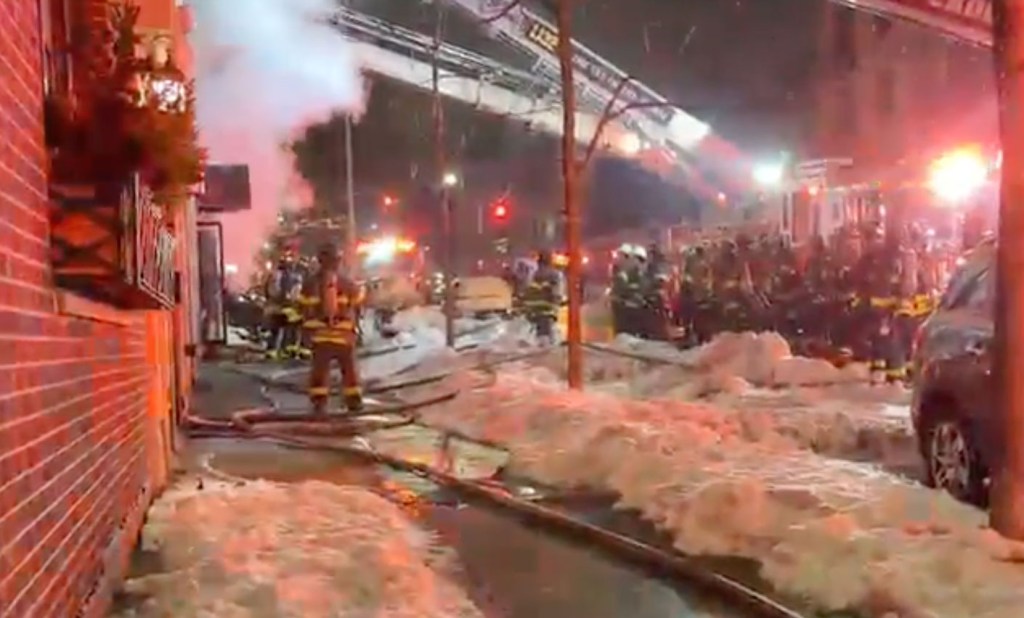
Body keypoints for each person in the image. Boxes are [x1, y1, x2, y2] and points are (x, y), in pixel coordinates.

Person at [302, 244, 364, 414]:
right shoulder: (348, 284)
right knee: (349, 372)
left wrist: (306, 333)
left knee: (319, 372)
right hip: (344, 337)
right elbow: (358, 305)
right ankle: (354, 402)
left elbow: (303, 311)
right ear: (338, 261)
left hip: (320, 338)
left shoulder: (309, 284)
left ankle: (319, 403)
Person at [522, 250, 564, 344]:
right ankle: (546, 345)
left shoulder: (534, 274)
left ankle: (540, 342)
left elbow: (527, 289)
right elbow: (557, 292)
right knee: (546, 330)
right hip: (547, 306)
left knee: (539, 329)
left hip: (533, 307)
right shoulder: (555, 274)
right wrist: (558, 300)